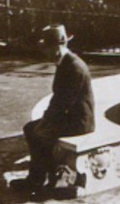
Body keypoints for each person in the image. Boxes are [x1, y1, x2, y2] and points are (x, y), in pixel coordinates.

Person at [16, 25, 96, 195]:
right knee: (32, 129)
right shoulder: (65, 62)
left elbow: (63, 103)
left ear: (55, 48)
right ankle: (40, 178)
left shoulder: (73, 67)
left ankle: (50, 179)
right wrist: (46, 120)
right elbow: (59, 99)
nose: (45, 52)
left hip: (79, 121)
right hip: (70, 116)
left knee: (39, 133)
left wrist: (45, 122)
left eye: (46, 48)